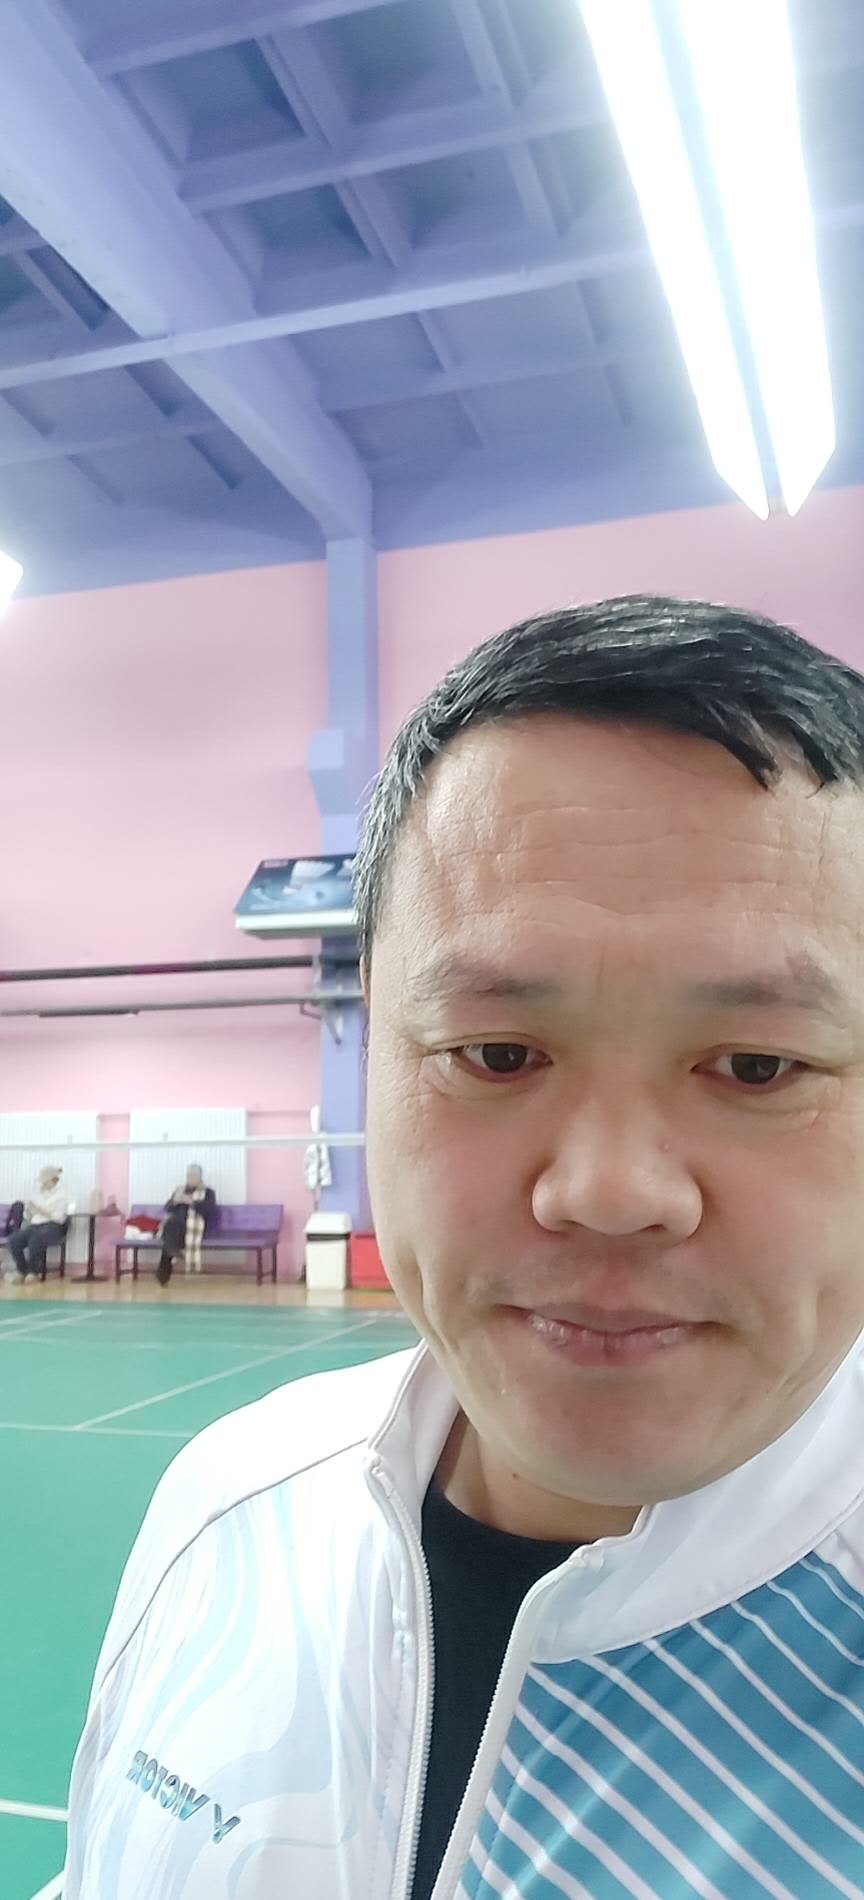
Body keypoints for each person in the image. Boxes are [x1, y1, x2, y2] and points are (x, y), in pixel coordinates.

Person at [64, 596, 864, 1898]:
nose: (608, 1191)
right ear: (372, 1052)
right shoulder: (231, 1507)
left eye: (759, 1066)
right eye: (496, 1053)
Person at [7, 1165, 69, 1283]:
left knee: (36, 1238)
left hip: (54, 1226)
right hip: (35, 1225)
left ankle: (33, 1272)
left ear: (53, 1180)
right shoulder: (37, 1193)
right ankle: (23, 1270)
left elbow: (60, 1218)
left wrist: (41, 1211)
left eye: (44, 1181)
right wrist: (29, 1212)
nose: (42, 1184)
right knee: (14, 1239)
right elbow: (28, 1217)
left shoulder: (63, 1195)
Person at [156, 1165, 216, 1285]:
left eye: (194, 1176)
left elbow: (209, 1211)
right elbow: (167, 1208)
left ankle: (163, 1275)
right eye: (189, 1176)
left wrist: (191, 1202)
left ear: (200, 1178)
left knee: (170, 1235)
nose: (191, 1179)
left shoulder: (208, 1192)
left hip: (194, 1226)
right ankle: (172, 1252)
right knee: (170, 1226)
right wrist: (175, 1201)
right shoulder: (180, 1190)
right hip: (175, 1225)